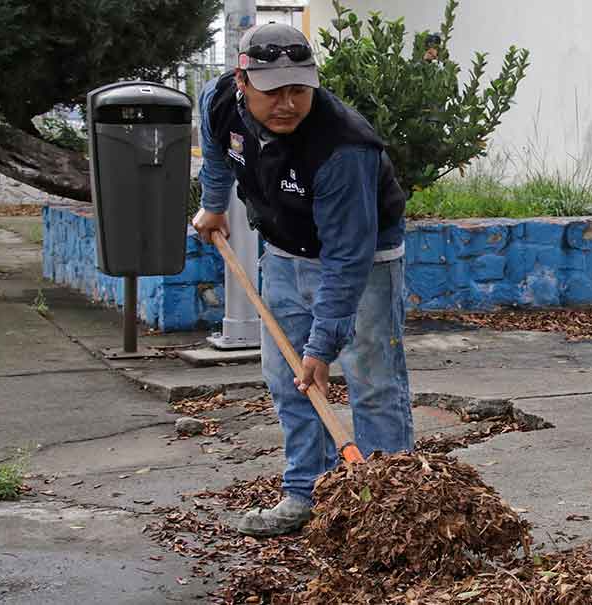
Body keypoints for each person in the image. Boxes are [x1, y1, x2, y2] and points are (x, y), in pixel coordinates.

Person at [192, 22, 413, 537]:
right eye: (274, 91)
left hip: (364, 264)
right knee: (288, 380)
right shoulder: (220, 101)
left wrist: (322, 346)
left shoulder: (344, 148)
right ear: (243, 84)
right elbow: (218, 148)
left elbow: (347, 259)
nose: (288, 103)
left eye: (300, 89)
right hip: (284, 251)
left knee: (372, 381)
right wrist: (212, 205)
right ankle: (307, 493)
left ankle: (390, 510)